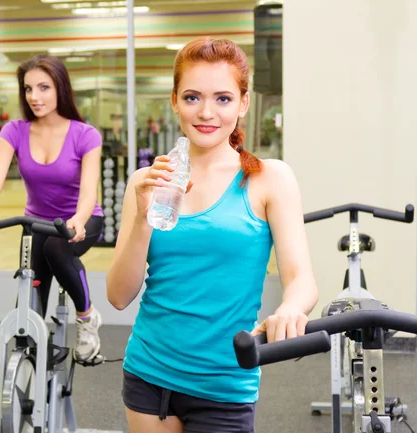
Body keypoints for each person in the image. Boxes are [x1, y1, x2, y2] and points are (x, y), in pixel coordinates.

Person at [106, 37, 319, 433]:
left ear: (243, 103)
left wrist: (292, 309)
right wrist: (140, 217)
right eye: (192, 97)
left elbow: (302, 280)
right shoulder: (147, 181)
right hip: (149, 375)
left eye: (222, 98)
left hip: (225, 382)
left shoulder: (268, 179)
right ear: (174, 101)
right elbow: (119, 296)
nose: (206, 112)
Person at [0, 54, 104, 363]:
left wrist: (77, 220)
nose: (35, 97)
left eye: (44, 87)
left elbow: (89, 191)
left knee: (56, 249)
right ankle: (27, 344)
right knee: (31, 287)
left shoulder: (85, 135)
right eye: (28, 89)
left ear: (61, 88)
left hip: (81, 221)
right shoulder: (15, 131)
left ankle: (87, 319)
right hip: (36, 222)